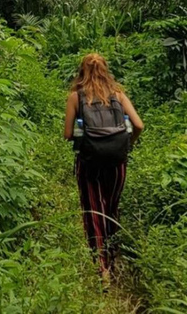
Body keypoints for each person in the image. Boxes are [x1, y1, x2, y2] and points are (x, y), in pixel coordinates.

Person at [64, 53, 144, 276]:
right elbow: (138, 124)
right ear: (106, 71)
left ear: (81, 72)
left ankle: (102, 269)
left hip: (89, 163)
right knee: (111, 208)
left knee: (94, 211)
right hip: (117, 162)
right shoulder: (118, 95)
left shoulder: (75, 97)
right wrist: (127, 145)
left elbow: (68, 134)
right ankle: (114, 256)